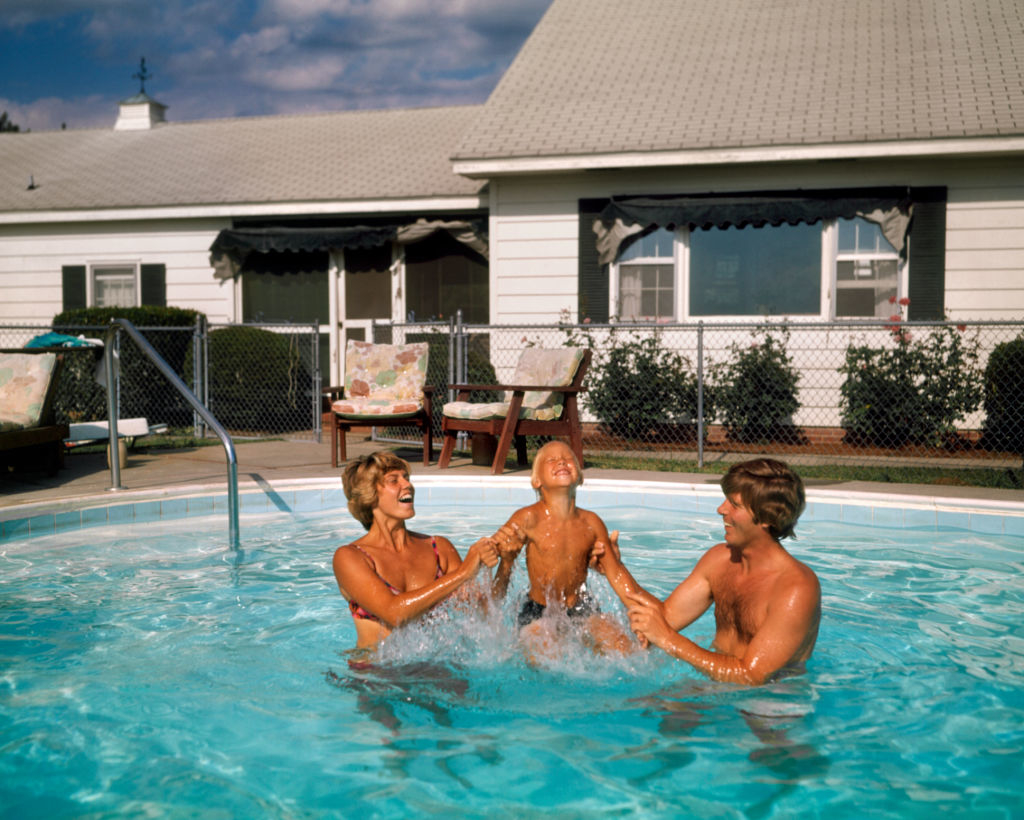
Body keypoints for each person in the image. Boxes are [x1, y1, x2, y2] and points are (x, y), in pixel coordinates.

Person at [597, 458, 820, 685]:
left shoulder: (796, 588)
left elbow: (751, 675)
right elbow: (666, 617)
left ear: (766, 517)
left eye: (734, 504)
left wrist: (669, 640)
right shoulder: (720, 559)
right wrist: (613, 566)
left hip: (770, 700)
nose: (721, 509)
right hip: (717, 684)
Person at [333, 450, 500, 649]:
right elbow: (394, 614)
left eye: (406, 478)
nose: (407, 485)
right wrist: (464, 572)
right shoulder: (350, 557)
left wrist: (505, 562)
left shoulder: (439, 548)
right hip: (376, 672)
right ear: (369, 494)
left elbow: (480, 612)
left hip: (436, 668)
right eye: (394, 480)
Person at [492, 440, 633, 658]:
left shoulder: (592, 523)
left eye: (568, 458)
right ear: (536, 480)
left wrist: (641, 613)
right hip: (539, 611)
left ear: (580, 476)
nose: (561, 461)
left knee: (622, 648)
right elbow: (494, 574)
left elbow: (617, 577)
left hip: (582, 608)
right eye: (551, 460)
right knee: (546, 658)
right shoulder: (528, 518)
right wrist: (506, 560)